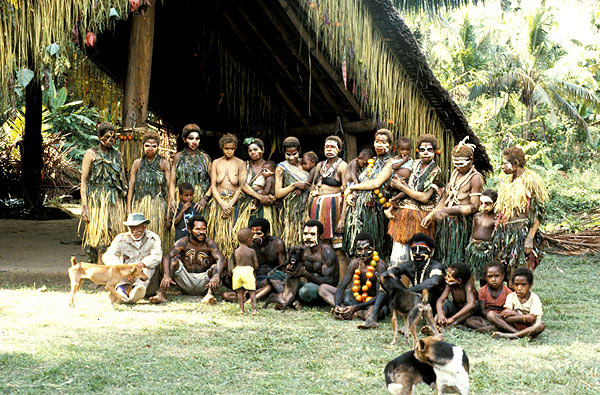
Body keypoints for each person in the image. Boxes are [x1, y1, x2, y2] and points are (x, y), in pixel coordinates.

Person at [359, 233, 445, 329]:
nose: (417, 253)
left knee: (428, 289)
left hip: (431, 306)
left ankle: (410, 324)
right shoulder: (409, 265)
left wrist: (406, 292)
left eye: (422, 249)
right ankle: (372, 318)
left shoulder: (436, 266)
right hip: (413, 301)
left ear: (431, 251)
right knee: (388, 280)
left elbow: (434, 282)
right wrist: (389, 273)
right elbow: (390, 272)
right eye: (413, 250)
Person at [422, 137, 484, 268]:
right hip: (446, 224)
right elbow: (445, 197)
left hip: (461, 226)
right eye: (455, 163)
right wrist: (432, 214)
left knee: (458, 260)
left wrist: (446, 211)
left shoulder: (476, 178)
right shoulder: (455, 173)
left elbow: (474, 207)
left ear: (471, 160)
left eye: (461, 164)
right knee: (442, 257)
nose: (458, 167)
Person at [386, 134, 443, 266]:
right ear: (418, 151)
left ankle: (414, 286)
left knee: (417, 258)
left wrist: (402, 187)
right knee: (398, 258)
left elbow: (424, 197)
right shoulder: (414, 163)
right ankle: (397, 285)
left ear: (435, 151)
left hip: (421, 219)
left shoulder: (436, 172)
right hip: (402, 216)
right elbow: (398, 177)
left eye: (429, 149)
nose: (426, 153)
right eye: (422, 150)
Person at [493, 146, 548, 278]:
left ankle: (523, 298)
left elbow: (538, 212)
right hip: (506, 233)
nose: (502, 166)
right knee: (505, 271)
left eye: (504, 163)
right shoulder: (507, 181)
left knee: (520, 273)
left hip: (521, 233)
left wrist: (530, 238)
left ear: (516, 163)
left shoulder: (531, 180)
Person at [343, 129, 396, 256]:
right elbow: (361, 181)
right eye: (377, 142)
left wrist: (351, 189)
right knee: (357, 247)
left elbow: (376, 183)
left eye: (383, 142)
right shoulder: (371, 162)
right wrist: (351, 194)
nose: (379, 145)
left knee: (375, 249)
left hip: (375, 211)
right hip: (358, 210)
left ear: (390, 145)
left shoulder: (391, 162)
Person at [80, 122, 127, 263]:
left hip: (115, 199)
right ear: (100, 137)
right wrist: (84, 205)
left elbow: (123, 179)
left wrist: (125, 203)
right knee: (100, 233)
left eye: (114, 138)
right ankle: (100, 268)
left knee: (113, 231)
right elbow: (83, 181)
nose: (111, 140)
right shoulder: (91, 154)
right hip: (97, 199)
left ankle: (112, 268)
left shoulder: (118, 155)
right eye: (107, 137)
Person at [156, 215, 227, 304]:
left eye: (204, 229)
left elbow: (221, 258)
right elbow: (167, 256)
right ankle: (160, 294)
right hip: (186, 280)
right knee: (173, 262)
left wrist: (217, 275)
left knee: (216, 267)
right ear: (189, 230)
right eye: (197, 229)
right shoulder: (183, 242)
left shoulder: (209, 243)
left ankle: (209, 295)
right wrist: (166, 275)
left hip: (204, 282)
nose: (201, 232)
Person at [319, 232, 386, 320]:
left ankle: (355, 313)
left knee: (370, 315)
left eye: (366, 249)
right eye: (359, 249)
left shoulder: (380, 266)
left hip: (372, 302)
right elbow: (341, 288)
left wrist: (356, 309)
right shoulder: (354, 264)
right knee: (323, 288)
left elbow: (380, 296)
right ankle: (342, 309)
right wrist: (337, 305)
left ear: (373, 247)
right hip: (355, 298)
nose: (363, 253)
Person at [222, 218, 286, 302]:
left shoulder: (277, 244)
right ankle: (253, 294)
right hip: (255, 279)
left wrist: (271, 277)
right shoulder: (248, 245)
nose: (255, 237)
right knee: (227, 279)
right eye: (253, 234)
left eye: (259, 233)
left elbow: (283, 268)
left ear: (267, 232)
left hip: (271, 279)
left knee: (272, 283)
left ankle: (250, 295)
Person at [102, 213, 162, 304]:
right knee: (115, 268)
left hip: (146, 281)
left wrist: (140, 265)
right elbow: (108, 255)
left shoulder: (153, 238)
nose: (135, 231)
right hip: (126, 278)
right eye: (132, 227)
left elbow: (157, 256)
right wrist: (122, 268)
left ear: (145, 227)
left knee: (149, 266)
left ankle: (137, 289)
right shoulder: (120, 238)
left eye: (139, 227)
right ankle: (122, 291)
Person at [206, 133, 248, 259]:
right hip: (218, 203)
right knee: (217, 234)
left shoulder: (241, 163)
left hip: (233, 203)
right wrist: (222, 204)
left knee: (232, 236)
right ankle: (217, 262)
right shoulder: (216, 163)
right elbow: (213, 185)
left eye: (232, 148)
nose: (229, 151)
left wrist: (230, 204)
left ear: (235, 148)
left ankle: (232, 263)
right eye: (226, 149)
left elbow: (241, 186)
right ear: (222, 148)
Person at [127, 131, 171, 251]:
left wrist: (168, 212)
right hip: (140, 205)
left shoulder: (164, 163)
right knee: (140, 238)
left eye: (154, 146)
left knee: (157, 237)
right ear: (143, 146)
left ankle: (157, 266)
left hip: (158, 205)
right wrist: (129, 210)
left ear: (158, 147)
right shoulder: (137, 163)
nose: (150, 148)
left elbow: (169, 187)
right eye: (147, 145)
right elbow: (131, 187)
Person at [307, 136, 347, 248]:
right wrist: (307, 213)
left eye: (332, 146)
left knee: (337, 246)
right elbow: (313, 188)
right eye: (327, 146)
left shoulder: (343, 166)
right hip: (317, 208)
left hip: (334, 209)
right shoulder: (320, 165)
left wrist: (342, 219)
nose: (329, 149)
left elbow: (347, 192)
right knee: (319, 245)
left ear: (339, 149)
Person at [295, 220, 339, 307]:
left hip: (323, 289)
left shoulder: (326, 252)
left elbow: (330, 281)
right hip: (307, 285)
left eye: (312, 234)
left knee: (306, 290)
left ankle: (301, 301)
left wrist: (307, 275)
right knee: (279, 277)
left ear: (320, 236)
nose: (308, 237)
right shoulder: (303, 250)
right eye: (305, 234)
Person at [239, 138, 278, 236]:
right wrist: (260, 197)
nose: (253, 152)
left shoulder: (269, 166)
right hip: (247, 205)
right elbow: (243, 185)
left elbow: (274, 186)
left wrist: (272, 198)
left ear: (263, 150)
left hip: (264, 207)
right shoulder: (245, 165)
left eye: (255, 149)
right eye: (250, 150)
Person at [169, 124, 211, 214]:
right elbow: (172, 181)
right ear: (184, 140)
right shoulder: (178, 157)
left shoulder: (205, 158)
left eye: (197, 138)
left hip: (199, 200)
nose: (194, 142)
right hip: (181, 198)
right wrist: (172, 199)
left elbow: (214, 182)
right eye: (191, 138)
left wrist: (204, 199)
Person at [492, 268, 545, 339]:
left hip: (529, 328)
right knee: (491, 314)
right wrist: (525, 318)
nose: (519, 288)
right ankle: (519, 334)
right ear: (512, 285)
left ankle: (513, 335)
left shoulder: (534, 298)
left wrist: (513, 313)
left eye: (523, 285)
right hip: (514, 326)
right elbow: (506, 318)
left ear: (530, 285)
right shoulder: (511, 296)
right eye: (516, 284)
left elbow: (532, 321)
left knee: (541, 325)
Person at [275, 137, 309, 247]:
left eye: (294, 154)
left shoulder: (306, 164)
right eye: (288, 154)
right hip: (290, 211)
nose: (291, 157)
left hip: (306, 208)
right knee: (291, 241)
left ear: (299, 151)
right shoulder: (281, 168)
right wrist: (294, 185)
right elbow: (278, 193)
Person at [465, 261, 513, 331]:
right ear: (485, 278)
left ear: (502, 276)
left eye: (496, 276)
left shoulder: (508, 292)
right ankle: (492, 328)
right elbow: (483, 311)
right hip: (487, 319)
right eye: (490, 276)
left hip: (501, 319)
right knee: (469, 320)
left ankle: (487, 329)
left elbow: (508, 311)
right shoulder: (482, 291)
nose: (493, 279)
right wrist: (490, 317)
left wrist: (496, 317)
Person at [465, 189, 498, 282]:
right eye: (481, 203)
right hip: (474, 249)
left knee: (487, 276)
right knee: (474, 275)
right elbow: (472, 233)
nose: (484, 206)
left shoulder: (496, 219)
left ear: (494, 203)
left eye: (487, 203)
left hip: (486, 251)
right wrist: (469, 247)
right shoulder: (477, 216)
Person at [435, 262, 478, 330]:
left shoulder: (468, 286)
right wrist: (440, 313)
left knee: (474, 304)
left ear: (459, 281)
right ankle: (435, 323)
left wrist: (453, 318)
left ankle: (452, 325)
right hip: (456, 310)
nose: (445, 278)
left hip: (467, 313)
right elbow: (440, 300)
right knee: (445, 303)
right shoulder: (450, 285)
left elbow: (471, 304)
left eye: (449, 276)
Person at [232, 228, 259, 314]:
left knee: (239, 292)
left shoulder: (236, 251)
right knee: (252, 292)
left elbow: (235, 262)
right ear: (249, 240)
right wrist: (254, 270)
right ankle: (254, 309)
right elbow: (256, 265)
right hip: (248, 271)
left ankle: (241, 309)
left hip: (238, 271)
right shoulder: (251, 251)